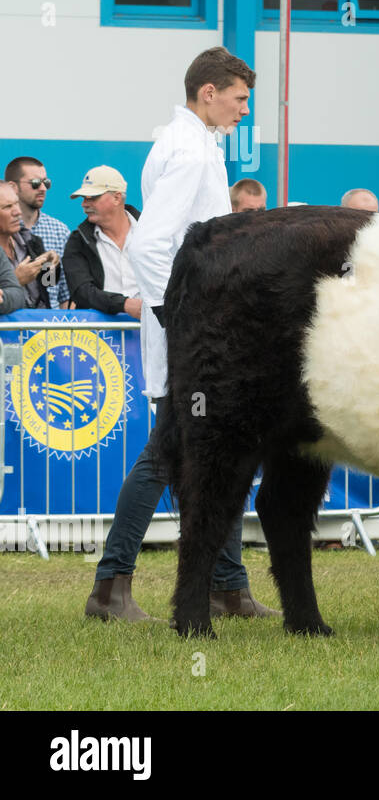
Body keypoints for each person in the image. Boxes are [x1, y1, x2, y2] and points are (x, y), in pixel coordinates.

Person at [85, 46, 277, 623]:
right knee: (168, 455)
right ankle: (111, 586)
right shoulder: (191, 151)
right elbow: (149, 244)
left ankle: (225, 585)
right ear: (209, 92)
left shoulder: (187, 142)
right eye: (240, 98)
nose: (245, 109)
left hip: (192, 327)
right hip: (193, 331)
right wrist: (179, 315)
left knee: (215, 453)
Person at [61, 166, 142, 318]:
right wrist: (124, 305)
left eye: (92, 197)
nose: (84, 204)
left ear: (117, 198)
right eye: (84, 198)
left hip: (152, 329)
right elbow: (81, 291)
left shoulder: (151, 231)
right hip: (97, 337)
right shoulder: (77, 240)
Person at [5, 156, 70, 308]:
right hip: (9, 324)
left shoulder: (59, 231)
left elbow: (64, 295)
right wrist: (17, 280)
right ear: (13, 187)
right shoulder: (5, 232)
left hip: (48, 326)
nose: (43, 188)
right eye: (35, 183)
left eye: (46, 183)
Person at [0, 181, 56, 308]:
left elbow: (49, 284)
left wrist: (51, 267)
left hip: (39, 324)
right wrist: (17, 280)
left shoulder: (31, 241)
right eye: (8, 207)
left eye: (16, 203)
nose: (17, 212)